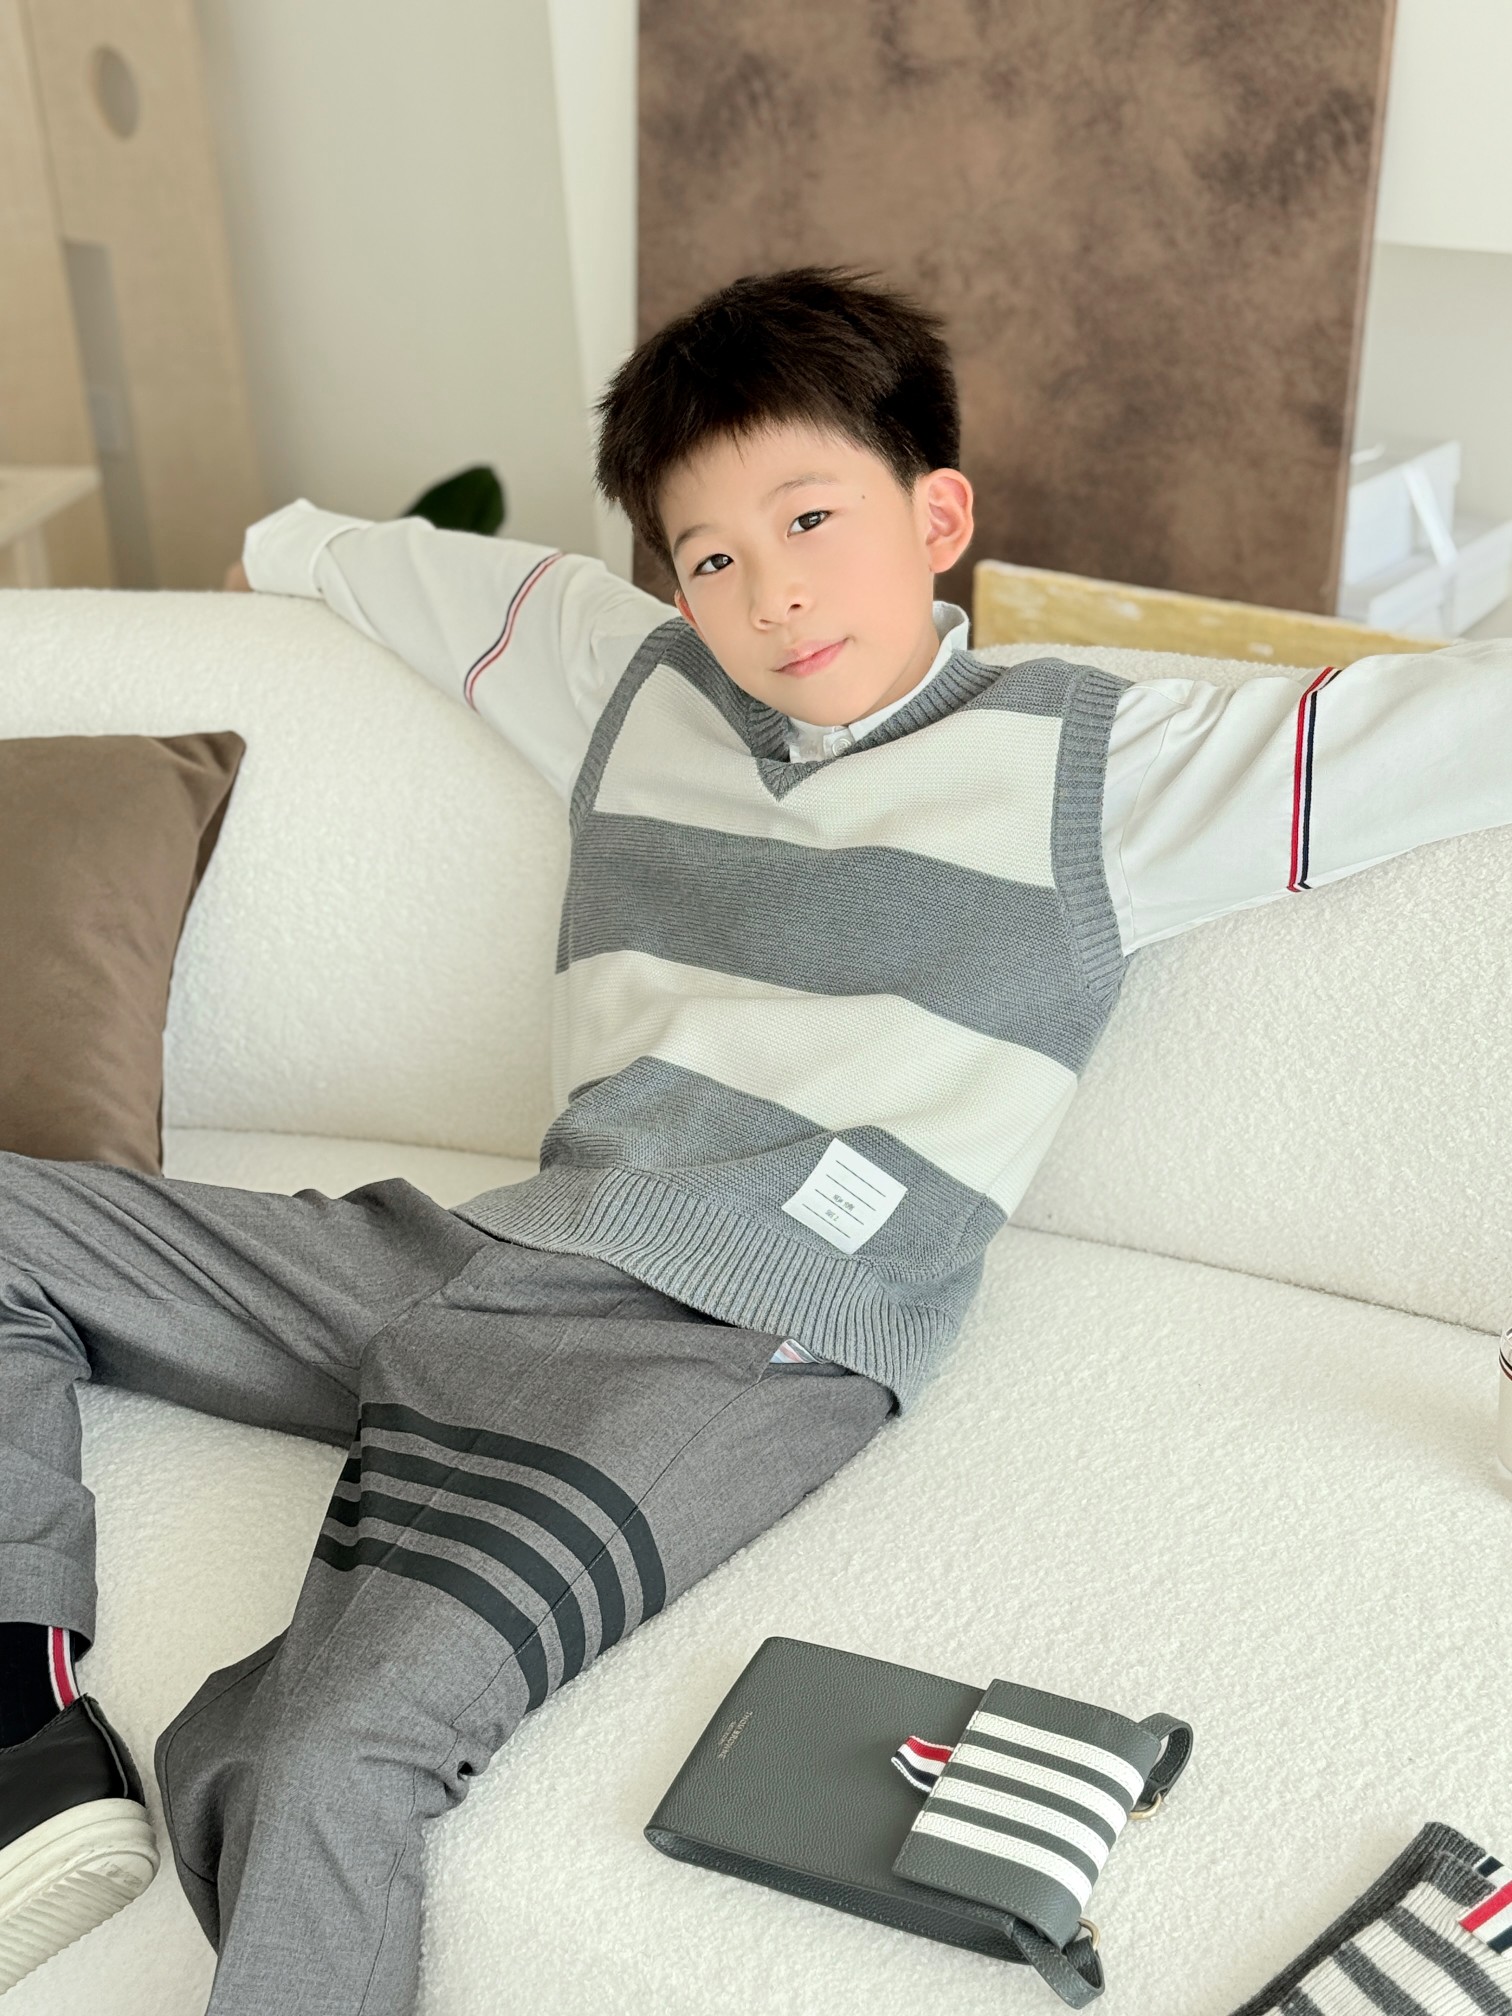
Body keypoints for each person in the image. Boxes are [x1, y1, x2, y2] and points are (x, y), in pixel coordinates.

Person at [2, 262, 1510, 2014]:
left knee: (321, 1755)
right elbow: (408, 570)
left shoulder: (1099, 774)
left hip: (723, 1350)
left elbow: (1438, 731)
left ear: (937, 517)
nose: (770, 593)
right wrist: (278, 547)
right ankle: (24, 1726)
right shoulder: (628, 684)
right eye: (710, 557)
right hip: (482, 1248)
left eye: (811, 520)